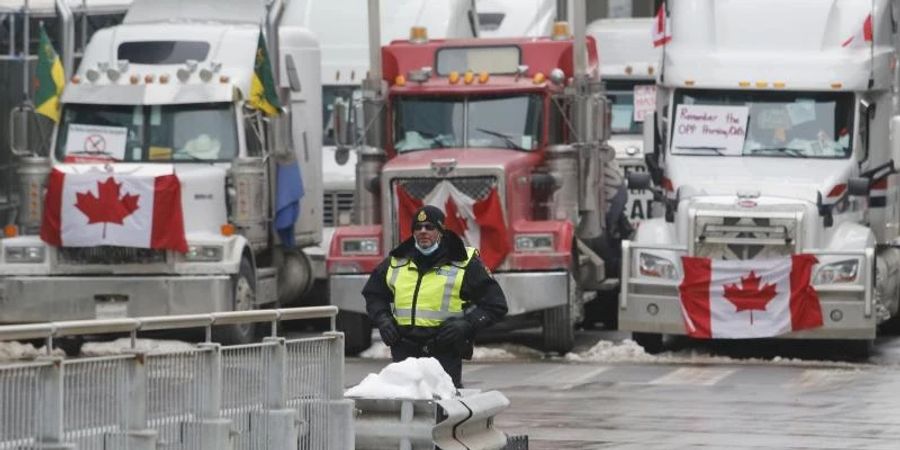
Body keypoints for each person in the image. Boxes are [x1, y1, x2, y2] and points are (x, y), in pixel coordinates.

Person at [361, 205, 508, 388]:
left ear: (441, 231)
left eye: (430, 227)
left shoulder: (463, 263)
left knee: (443, 411)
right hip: (404, 352)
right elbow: (373, 294)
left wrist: (467, 324)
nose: (423, 232)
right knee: (406, 410)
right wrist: (383, 320)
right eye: (418, 227)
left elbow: (496, 305)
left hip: (443, 352)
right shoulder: (396, 261)